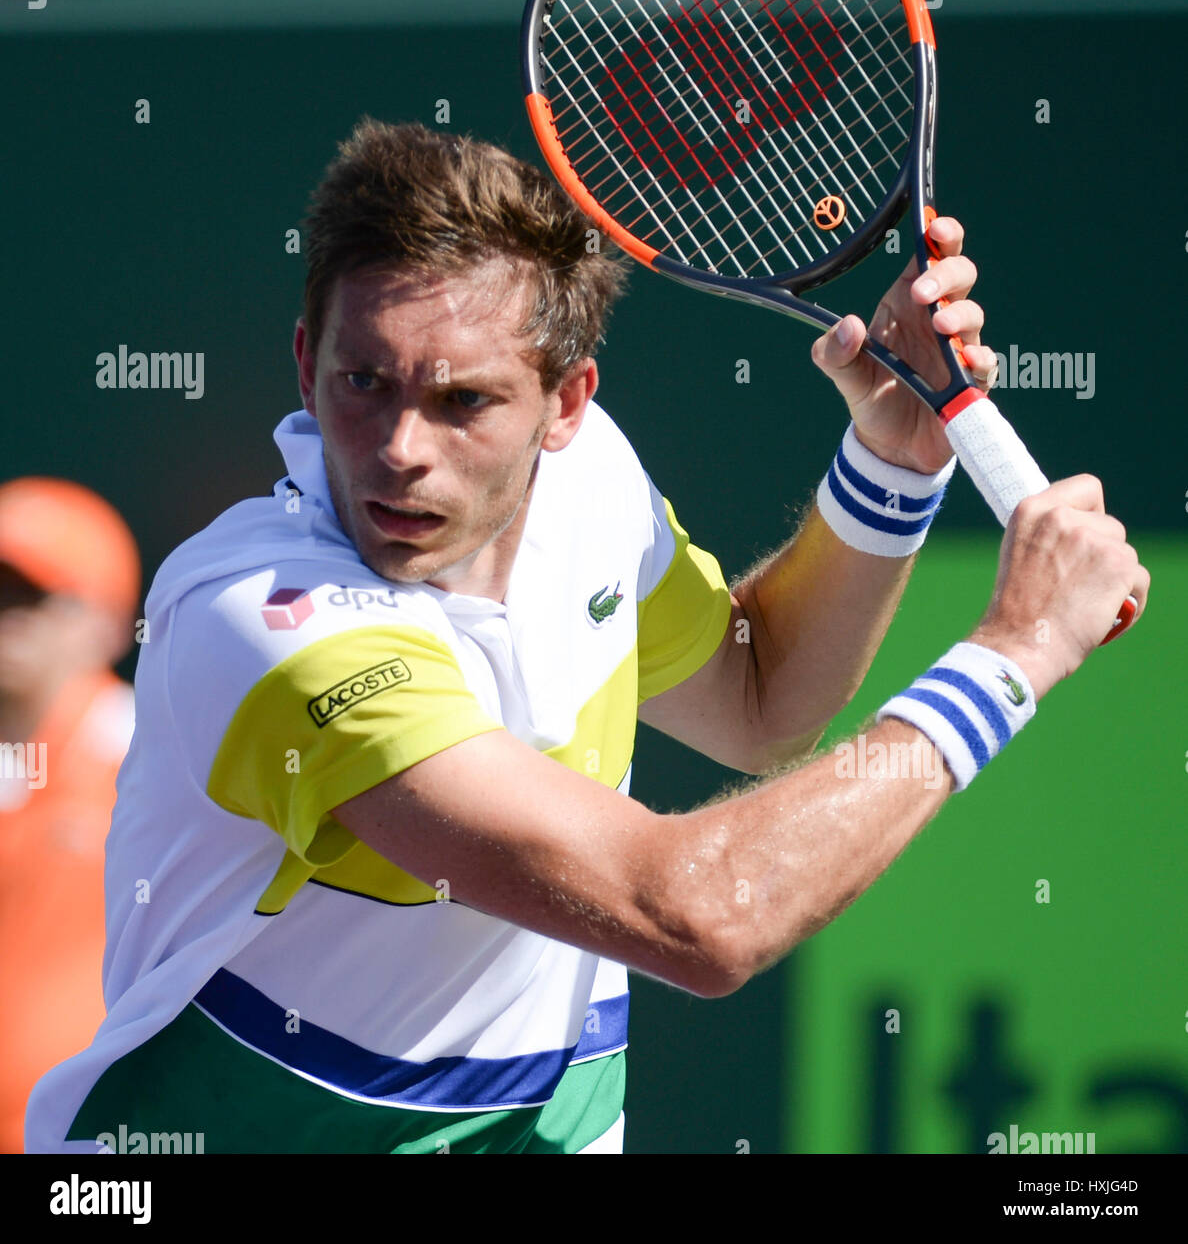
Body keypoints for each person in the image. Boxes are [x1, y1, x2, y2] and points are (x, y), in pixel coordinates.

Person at [25, 120, 1147, 1155]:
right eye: (361, 383)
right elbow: (699, 916)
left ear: (566, 405)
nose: (401, 447)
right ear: (306, 359)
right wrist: (1011, 655)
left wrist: (892, 462)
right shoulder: (265, 619)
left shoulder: (590, 481)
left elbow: (759, 699)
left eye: (463, 401)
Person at [0, 477, 139, 1153]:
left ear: (106, 621)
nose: (6, 616)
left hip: (89, 1154)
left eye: (29, 595)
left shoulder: (156, 764)